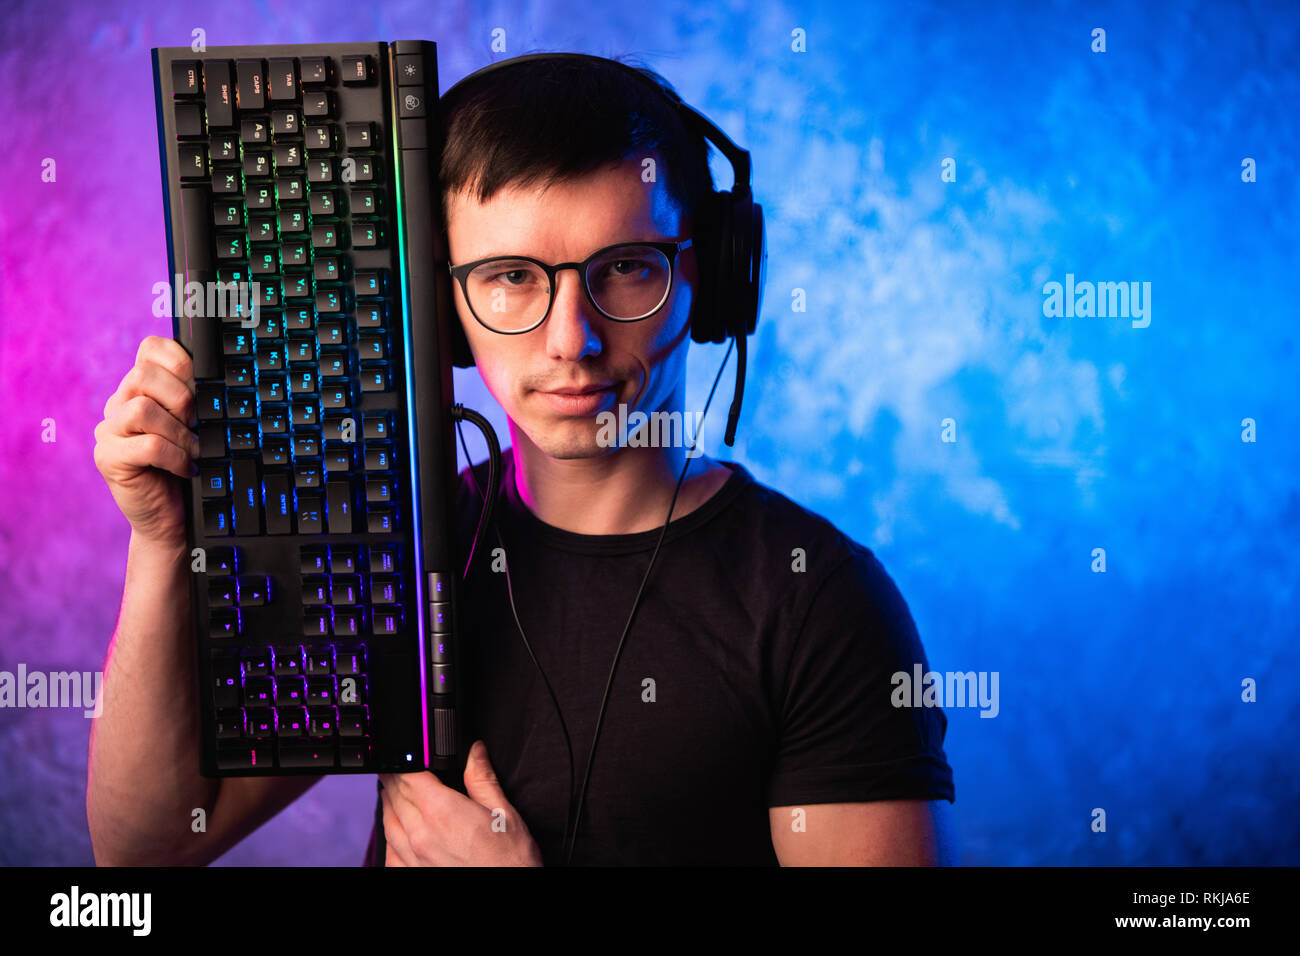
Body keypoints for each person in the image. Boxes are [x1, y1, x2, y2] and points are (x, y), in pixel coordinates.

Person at [88, 54, 956, 867]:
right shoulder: (386, 548)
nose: (569, 338)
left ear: (712, 276)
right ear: (440, 306)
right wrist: (163, 543)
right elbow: (149, 844)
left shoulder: (821, 604)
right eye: (509, 276)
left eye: (623, 268)